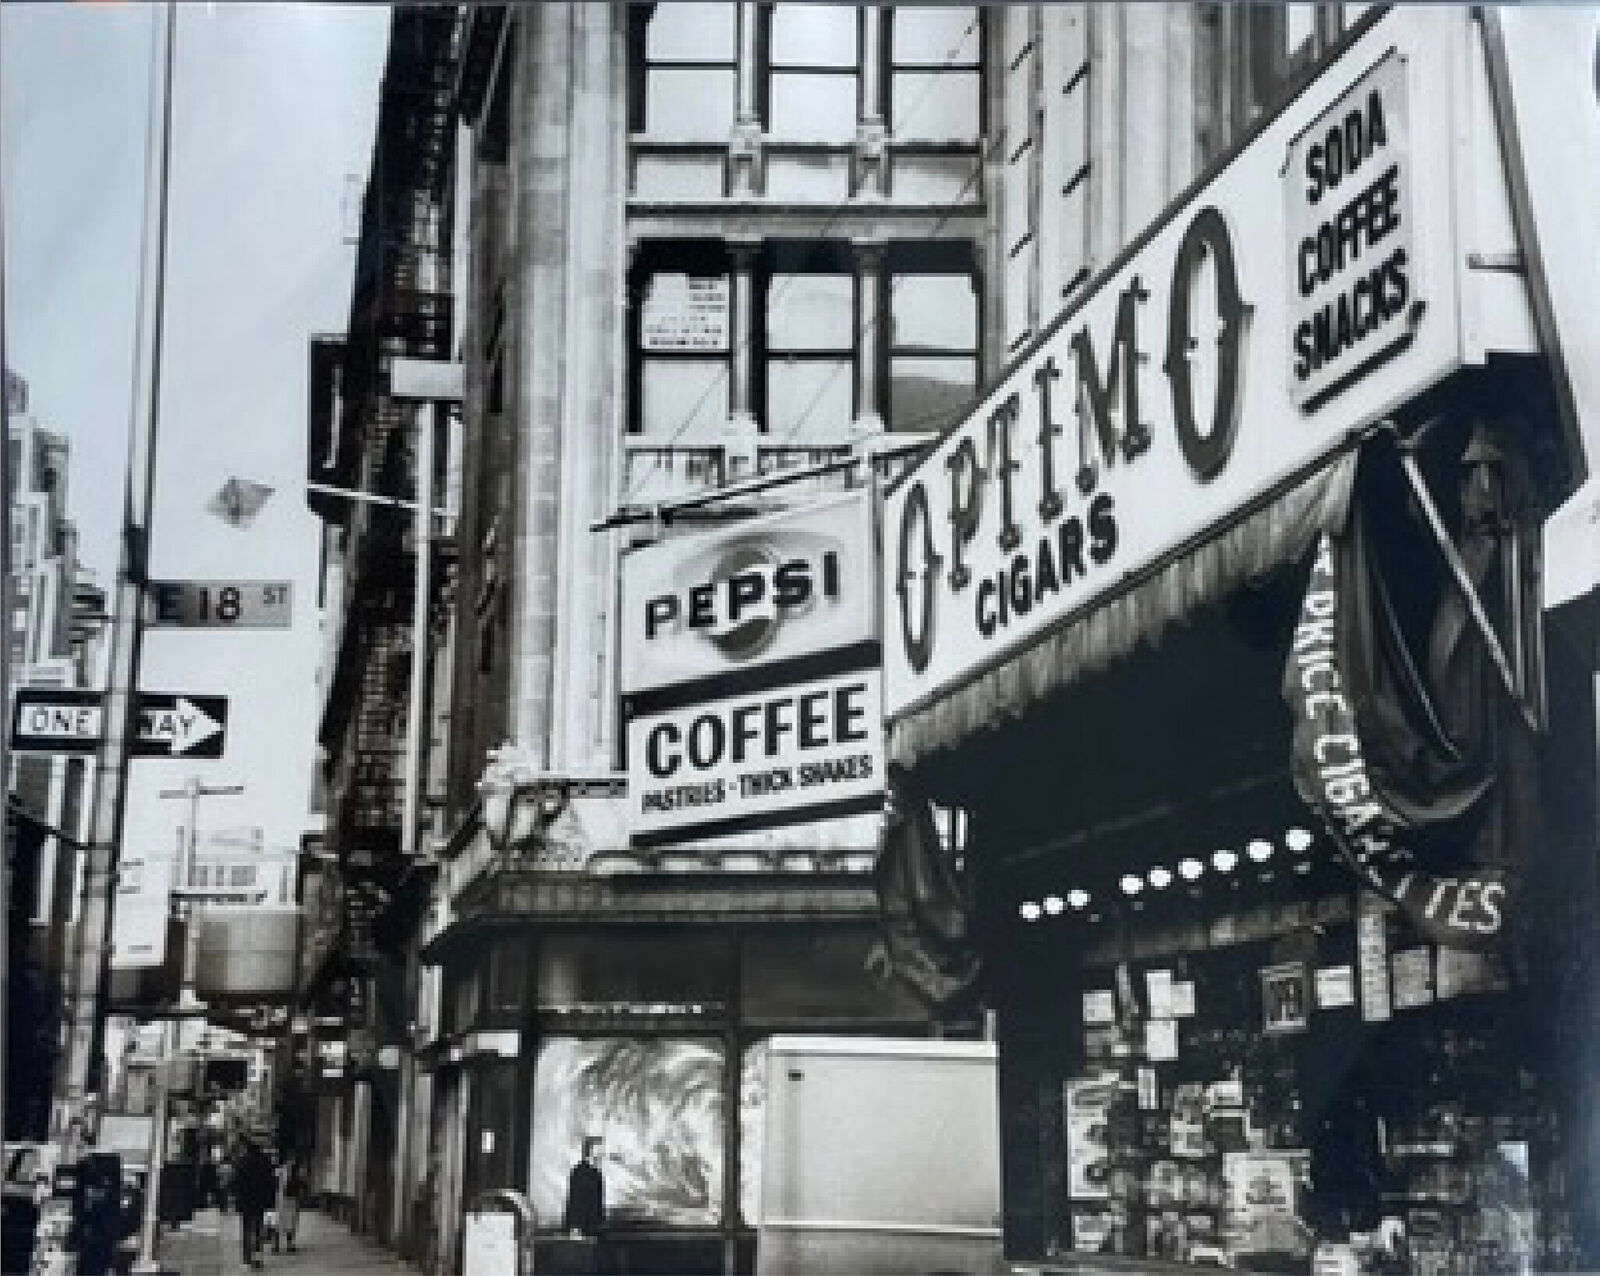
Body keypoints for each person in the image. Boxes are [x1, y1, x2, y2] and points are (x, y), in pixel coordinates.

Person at [233, 1139, 276, 1269]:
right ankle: (257, 1259)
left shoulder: (242, 1162)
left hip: (246, 1202)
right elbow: (271, 1184)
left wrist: (237, 1199)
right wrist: (270, 1201)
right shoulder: (265, 1163)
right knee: (258, 1229)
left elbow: (236, 1183)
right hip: (259, 1202)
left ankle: (246, 1258)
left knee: (246, 1229)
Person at [562, 1136, 605, 1239]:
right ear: (590, 1151)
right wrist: (575, 1227)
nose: (602, 1154)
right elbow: (574, 1201)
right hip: (581, 1229)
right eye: (599, 1150)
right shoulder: (579, 1172)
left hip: (593, 1229)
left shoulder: (596, 1173)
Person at [274, 1157, 306, 1254]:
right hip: (287, 1200)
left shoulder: (278, 1172)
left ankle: (278, 1245)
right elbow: (301, 1186)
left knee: (281, 1222)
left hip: (282, 1200)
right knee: (288, 1222)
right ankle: (287, 1244)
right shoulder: (296, 1173)